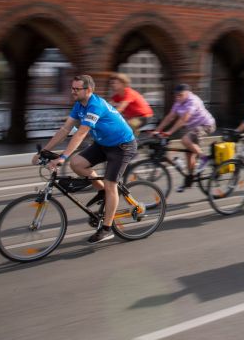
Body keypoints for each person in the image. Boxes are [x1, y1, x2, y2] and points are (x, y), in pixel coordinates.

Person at [31, 75, 137, 244]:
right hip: (103, 144)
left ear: (88, 90)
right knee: (77, 164)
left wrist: (63, 156)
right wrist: (45, 151)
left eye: (76, 89)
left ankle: (107, 229)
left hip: (122, 146)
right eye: (72, 88)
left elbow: (81, 133)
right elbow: (65, 129)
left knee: (111, 184)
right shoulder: (79, 105)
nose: (73, 91)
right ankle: (102, 191)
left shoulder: (95, 105)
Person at [152, 83, 216, 192]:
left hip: (206, 125)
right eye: (176, 95)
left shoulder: (192, 101)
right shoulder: (178, 101)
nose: (177, 97)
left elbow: (184, 119)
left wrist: (170, 132)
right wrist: (157, 130)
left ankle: (203, 158)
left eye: (180, 95)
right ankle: (189, 181)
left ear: (187, 93)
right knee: (189, 156)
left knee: (185, 140)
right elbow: (170, 117)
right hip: (194, 128)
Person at [109, 72, 153, 137]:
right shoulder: (117, 96)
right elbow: (106, 106)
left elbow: (120, 108)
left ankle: (132, 144)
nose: (113, 85)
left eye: (116, 83)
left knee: (125, 127)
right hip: (133, 118)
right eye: (112, 83)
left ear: (123, 84)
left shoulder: (129, 93)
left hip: (144, 117)